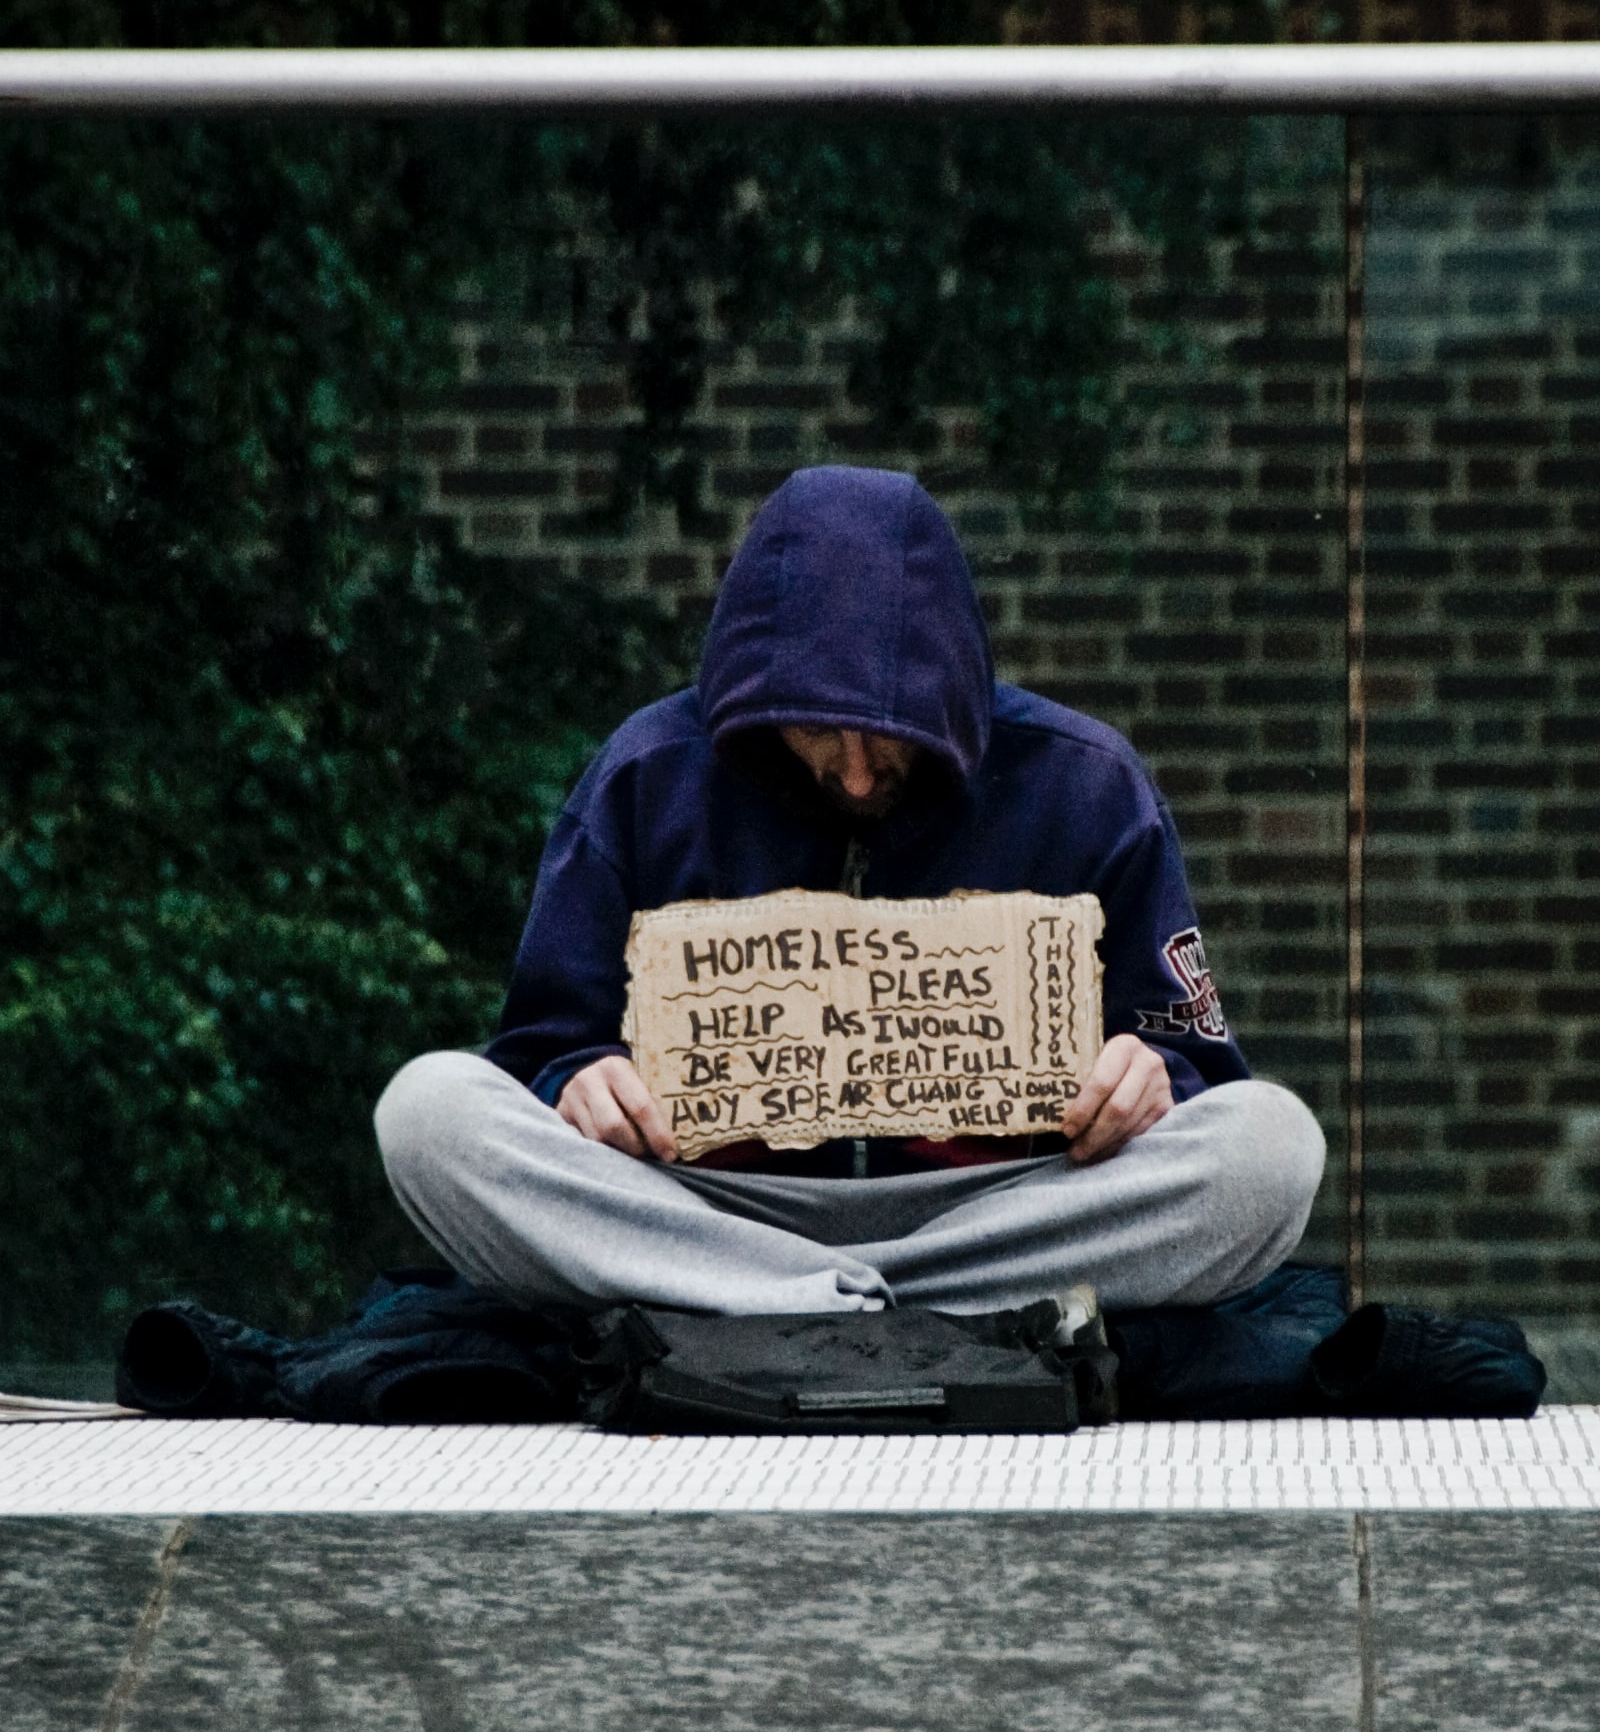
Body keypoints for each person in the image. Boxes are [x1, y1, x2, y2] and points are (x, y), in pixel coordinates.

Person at [378, 464, 1323, 1316]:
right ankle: (826, 1296)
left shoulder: (1084, 785)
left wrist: (1152, 1078)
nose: (861, 778)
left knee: (1269, 1146)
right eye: (820, 737)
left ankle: (809, 1304)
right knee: (429, 1111)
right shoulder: (647, 779)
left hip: (1003, 1211)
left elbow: (1197, 1071)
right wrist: (574, 1081)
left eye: (891, 739)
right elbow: (542, 1046)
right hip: (705, 1209)